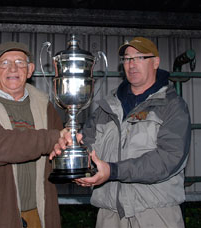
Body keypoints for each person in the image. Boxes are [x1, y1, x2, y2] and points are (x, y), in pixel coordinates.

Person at [51, 37, 191, 227]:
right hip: (109, 215)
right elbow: (88, 144)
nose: (131, 64)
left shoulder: (172, 106)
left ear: (156, 62)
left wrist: (113, 171)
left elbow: (168, 159)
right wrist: (69, 153)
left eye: (139, 57)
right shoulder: (108, 106)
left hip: (155, 214)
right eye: (127, 59)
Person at [0, 41, 68, 228]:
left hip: (39, 215)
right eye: (4, 63)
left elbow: (58, 155)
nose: (13, 68)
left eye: (20, 62)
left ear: (30, 69)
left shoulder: (46, 107)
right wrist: (51, 138)